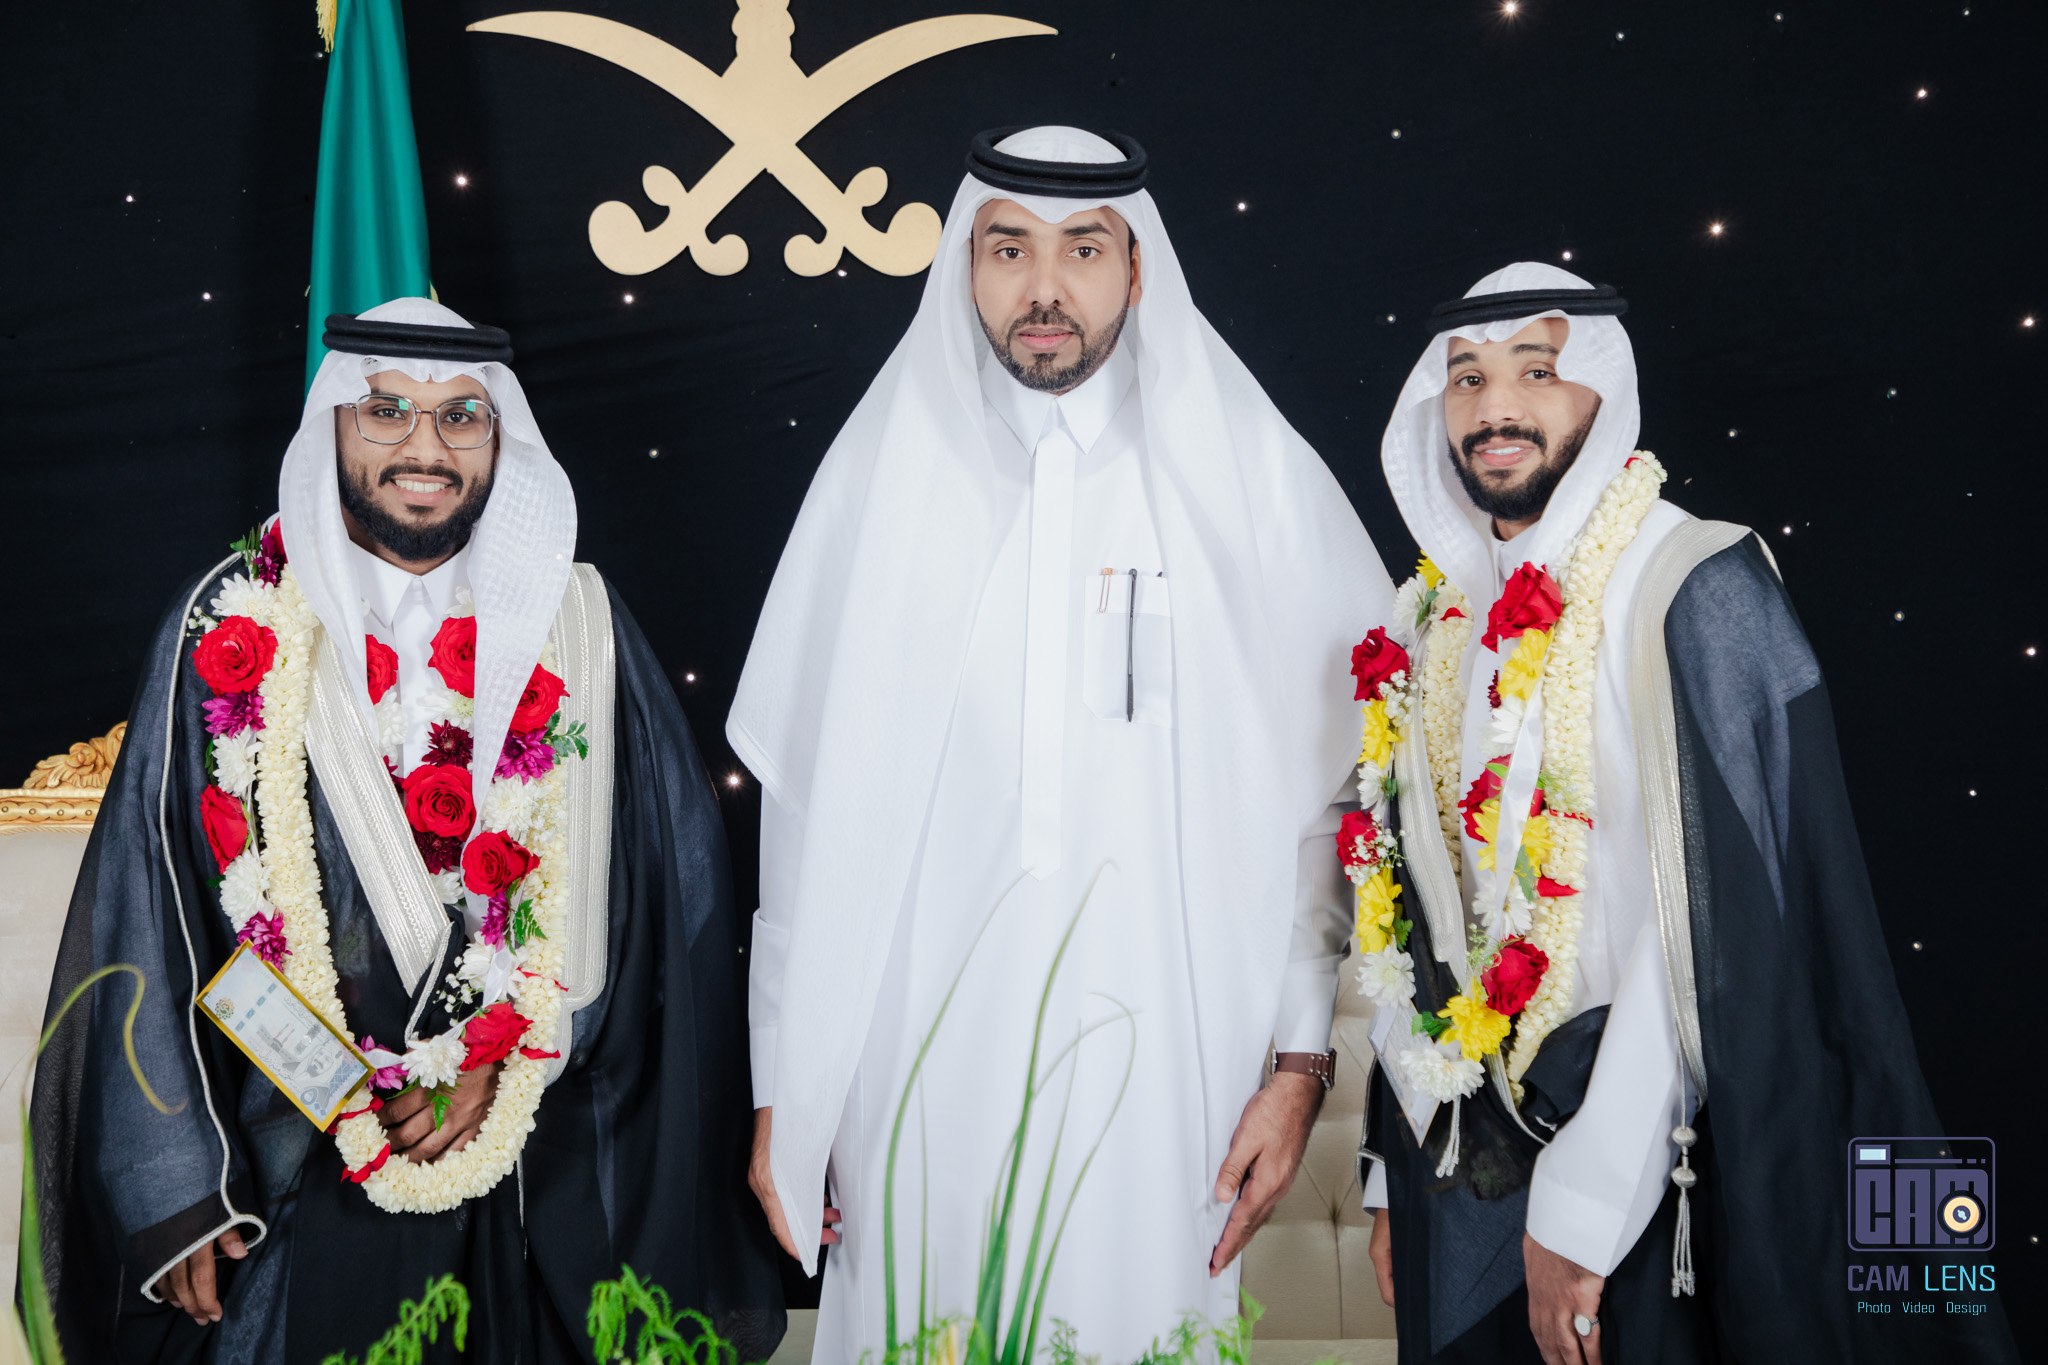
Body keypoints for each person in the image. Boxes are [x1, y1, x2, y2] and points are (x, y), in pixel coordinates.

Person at [729, 127, 1390, 1361]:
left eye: (1081, 249)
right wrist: (785, 1089)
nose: (1043, 287)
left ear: (1136, 270)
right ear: (963, 271)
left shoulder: (1246, 476)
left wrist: (1298, 1065)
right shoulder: (878, 478)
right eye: (1007, 250)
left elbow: (1324, 803)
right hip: (909, 1073)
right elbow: (802, 826)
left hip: (1169, 1075)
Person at [30, 298, 784, 1364]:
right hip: (303, 1156)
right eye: (386, 411)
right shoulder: (229, 623)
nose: (424, 448)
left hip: (539, 1161)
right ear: (334, 425)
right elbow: (148, 908)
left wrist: (505, 1057)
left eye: (460, 417)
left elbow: (669, 900)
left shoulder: (579, 624)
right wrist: (181, 1182)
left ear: (499, 440)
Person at [1352, 263, 2017, 1363]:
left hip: (1660, 1163)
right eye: (1466, 378)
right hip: (1463, 1159)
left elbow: (1712, 934)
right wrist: (1395, 1167)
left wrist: (1581, 1212)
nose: (1495, 406)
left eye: (1535, 371)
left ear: (1601, 390)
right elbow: (1417, 905)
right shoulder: (1435, 620)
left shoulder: (1691, 584)